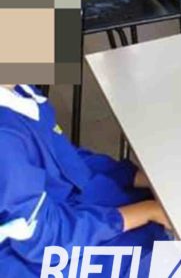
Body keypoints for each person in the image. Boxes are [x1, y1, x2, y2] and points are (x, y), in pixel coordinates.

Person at [0, 85, 170, 276]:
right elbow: (44, 238)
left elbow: (68, 160)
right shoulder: (5, 139)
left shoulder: (20, 91)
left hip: (71, 217)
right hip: (38, 255)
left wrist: (135, 177)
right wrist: (147, 211)